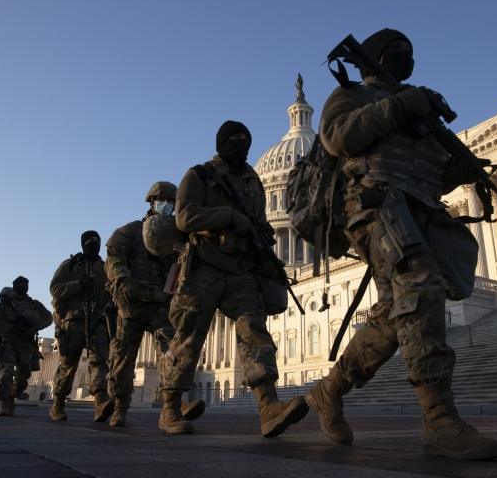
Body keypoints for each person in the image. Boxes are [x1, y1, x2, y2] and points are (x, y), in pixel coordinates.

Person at [309, 28, 497, 459]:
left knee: (392, 317)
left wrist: (462, 171)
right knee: (421, 286)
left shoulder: (419, 114)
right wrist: (400, 105)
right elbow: (337, 138)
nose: (407, 57)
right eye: (397, 50)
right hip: (375, 208)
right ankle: (438, 417)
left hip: (419, 213)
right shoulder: (353, 96)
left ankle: (330, 389)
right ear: (375, 57)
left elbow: (430, 174)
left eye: (411, 51)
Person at [161, 121, 307, 436]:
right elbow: (184, 218)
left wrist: (264, 246)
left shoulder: (253, 180)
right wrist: (226, 218)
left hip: (241, 269)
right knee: (189, 337)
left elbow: (260, 222)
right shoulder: (199, 175)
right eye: (234, 141)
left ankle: (268, 406)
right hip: (205, 267)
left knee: (255, 333)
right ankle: (170, 406)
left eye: (245, 141)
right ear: (221, 144)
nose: (240, 146)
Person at [104, 182, 205, 427]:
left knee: (173, 351)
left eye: (172, 202)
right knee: (123, 358)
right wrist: (123, 279)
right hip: (132, 303)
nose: (167, 206)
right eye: (163, 200)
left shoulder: (177, 238)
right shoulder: (130, 232)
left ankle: (172, 405)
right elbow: (114, 258)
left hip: (161, 303)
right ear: (151, 202)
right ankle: (119, 406)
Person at [49, 230, 114, 422]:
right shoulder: (69, 265)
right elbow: (55, 289)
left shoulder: (105, 268)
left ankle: (101, 400)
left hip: (98, 321)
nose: (94, 243)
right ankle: (58, 403)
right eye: (90, 240)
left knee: (99, 361)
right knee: (68, 364)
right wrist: (79, 285)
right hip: (73, 321)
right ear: (82, 243)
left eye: (97, 240)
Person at [0, 277, 52, 416]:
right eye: (20, 284)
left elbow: (48, 318)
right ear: (14, 286)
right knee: (6, 372)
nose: (23, 286)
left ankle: (12, 394)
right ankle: (4, 403)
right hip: (9, 342)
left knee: (24, 374)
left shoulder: (34, 304)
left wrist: (34, 327)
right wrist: (11, 328)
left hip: (26, 343)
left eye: (25, 284)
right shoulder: (6, 305)